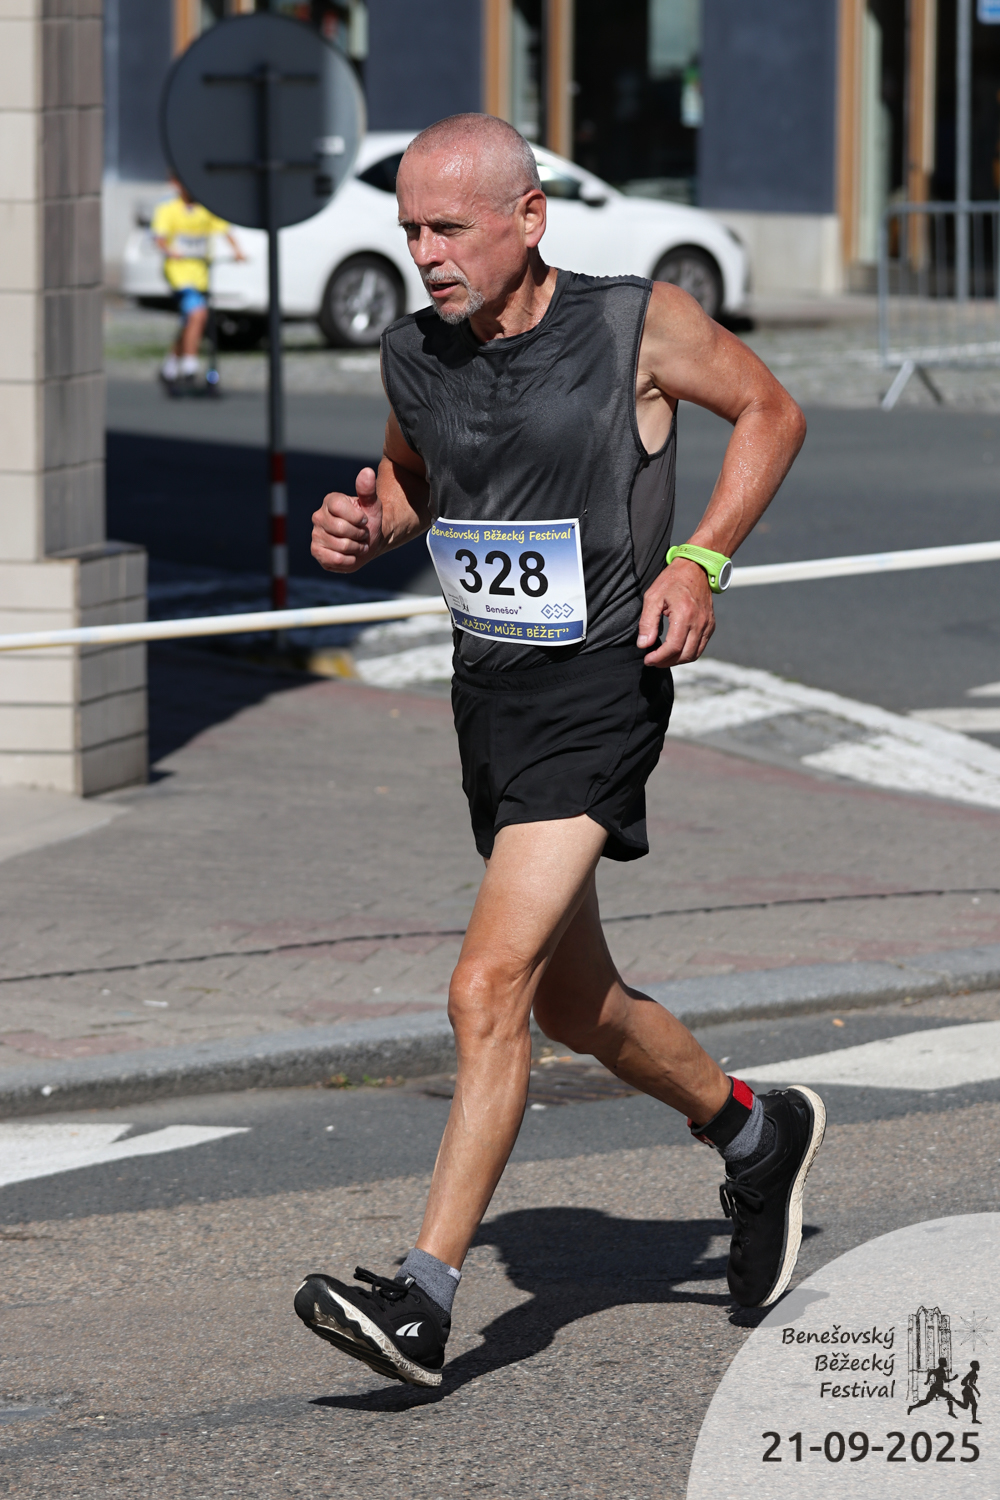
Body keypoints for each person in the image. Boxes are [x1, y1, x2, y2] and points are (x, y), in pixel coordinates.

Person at [294, 113, 824, 1389]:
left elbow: (770, 410)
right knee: (572, 1001)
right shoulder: (414, 352)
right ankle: (751, 1132)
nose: (426, 253)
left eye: (449, 228)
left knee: (486, 988)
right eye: (410, 230)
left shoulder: (634, 324)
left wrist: (699, 559)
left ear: (528, 219)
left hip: (600, 687)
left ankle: (422, 1299)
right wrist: (368, 526)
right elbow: (416, 479)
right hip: (491, 698)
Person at [151, 179, 245, 389]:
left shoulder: (205, 210)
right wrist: (170, 251)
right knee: (198, 314)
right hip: (179, 275)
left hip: (201, 275)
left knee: (190, 321)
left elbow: (225, 230)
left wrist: (237, 251)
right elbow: (159, 238)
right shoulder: (169, 209)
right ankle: (189, 367)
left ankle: (169, 366)